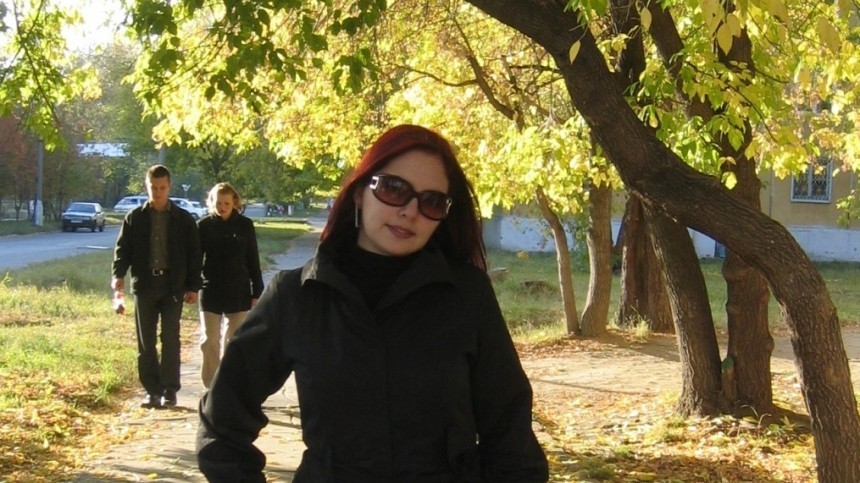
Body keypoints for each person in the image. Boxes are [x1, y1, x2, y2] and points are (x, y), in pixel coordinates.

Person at [196, 124, 549, 482]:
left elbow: (511, 435)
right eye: (394, 189)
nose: (410, 210)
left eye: (431, 201)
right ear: (359, 193)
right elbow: (221, 421)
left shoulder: (466, 296)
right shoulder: (296, 296)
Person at [112, 164, 202, 409]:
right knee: (146, 341)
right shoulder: (135, 218)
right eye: (154, 187)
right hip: (145, 285)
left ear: (169, 187)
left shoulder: (183, 219)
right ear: (147, 186)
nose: (158, 192)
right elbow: (122, 250)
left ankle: (170, 390)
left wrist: (193, 286)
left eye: (162, 188)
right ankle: (152, 391)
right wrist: (118, 275)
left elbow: (194, 254)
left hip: (173, 286)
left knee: (171, 338)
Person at [197, 182, 264, 388]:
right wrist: (191, 285)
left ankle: (229, 384)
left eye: (226, 203)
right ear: (212, 202)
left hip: (238, 289)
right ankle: (211, 386)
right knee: (209, 340)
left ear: (234, 203)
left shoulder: (245, 225)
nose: (222, 207)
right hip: (211, 289)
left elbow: (252, 258)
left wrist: (257, 289)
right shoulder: (204, 226)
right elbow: (195, 259)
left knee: (234, 340)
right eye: (218, 203)